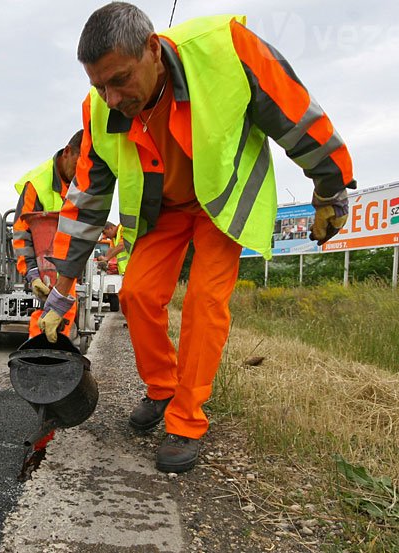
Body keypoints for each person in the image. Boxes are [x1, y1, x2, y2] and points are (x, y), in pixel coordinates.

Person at [40, 3, 355, 473]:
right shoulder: (99, 111)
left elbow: (297, 116)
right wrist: (61, 290)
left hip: (220, 201)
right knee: (137, 295)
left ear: (152, 50)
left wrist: (330, 188)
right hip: (160, 208)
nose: (110, 97)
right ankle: (163, 390)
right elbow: (86, 198)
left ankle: (186, 419)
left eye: (120, 79)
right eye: (98, 85)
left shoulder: (225, 51)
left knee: (204, 303)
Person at [12, 130, 84, 337]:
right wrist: (32, 273)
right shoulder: (38, 183)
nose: (80, 175)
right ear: (67, 152)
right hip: (45, 263)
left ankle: (56, 358)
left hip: (68, 260)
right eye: (78, 166)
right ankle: (40, 357)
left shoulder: (84, 180)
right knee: (49, 311)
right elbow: (21, 233)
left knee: (65, 310)